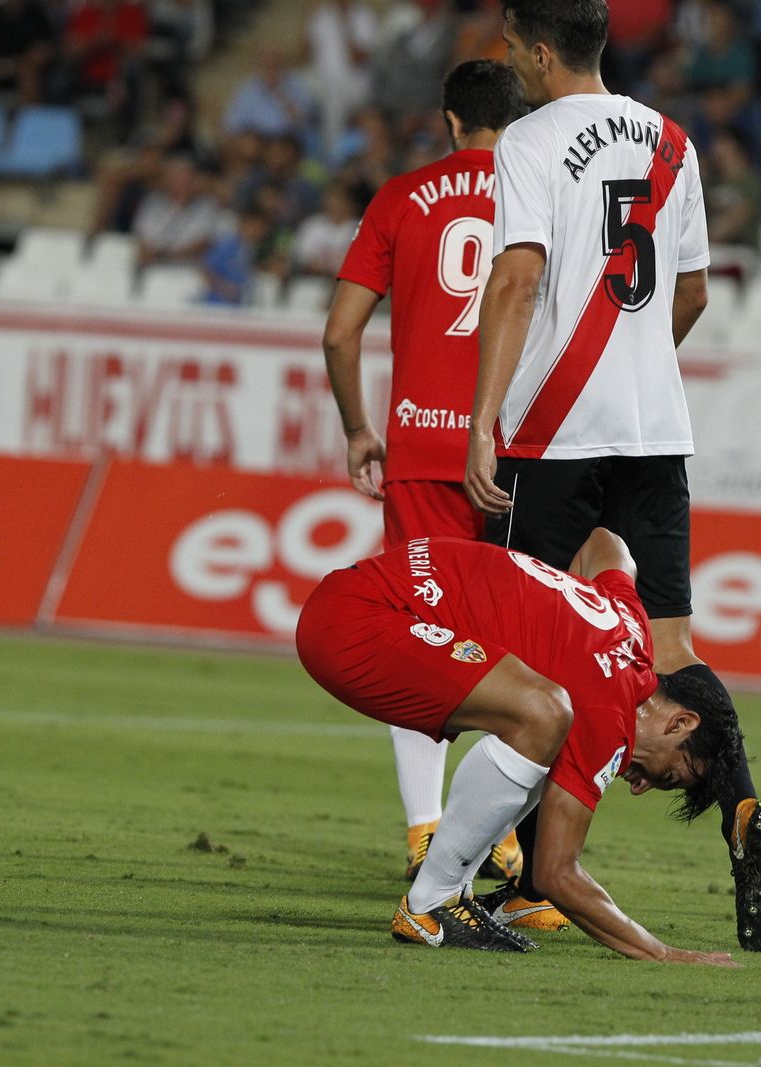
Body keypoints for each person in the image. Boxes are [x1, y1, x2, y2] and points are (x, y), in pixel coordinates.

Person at [462, 0, 761, 954]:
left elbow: (518, 279)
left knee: (520, 652)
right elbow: (690, 290)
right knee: (672, 642)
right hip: (652, 428)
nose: (509, 63)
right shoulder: (671, 139)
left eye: (515, 49)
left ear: (542, 50)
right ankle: (741, 805)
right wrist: (637, 368)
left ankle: (511, 876)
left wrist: (487, 417)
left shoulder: (526, 140)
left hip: (555, 433)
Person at [296, 527, 743, 965]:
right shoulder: (608, 721)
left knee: (548, 718)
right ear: (680, 722)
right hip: (358, 626)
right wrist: (660, 951)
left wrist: (553, 621)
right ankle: (431, 904)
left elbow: (606, 543)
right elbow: (555, 873)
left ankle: (450, 896)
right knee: (546, 712)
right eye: (667, 775)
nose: (639, 785)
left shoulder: (631, 628)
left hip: (366, 591)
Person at [322, 60, 530, 893]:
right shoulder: (541, 196)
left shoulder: (400, 198)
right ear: (519, 124)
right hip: (515, 454)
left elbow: (340, 335)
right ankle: (510, 847)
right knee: (524, 651)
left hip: (418, 454)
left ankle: (426, 828)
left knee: (423, 643)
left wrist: (359, 429)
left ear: (450, 122)